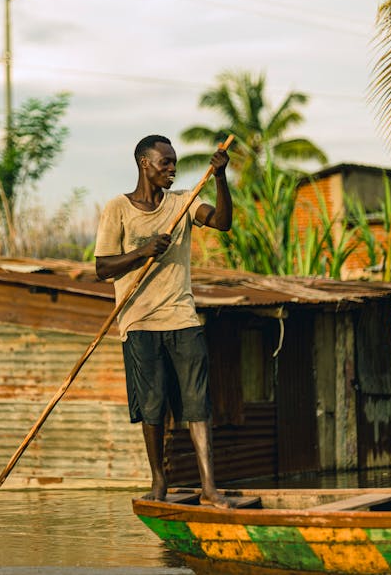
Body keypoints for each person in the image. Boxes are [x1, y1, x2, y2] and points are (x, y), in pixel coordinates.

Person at [94, 134, 233, 508]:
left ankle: (209, 488)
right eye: (165, 163)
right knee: (153, 407)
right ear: (144, 164)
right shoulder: (117, 209)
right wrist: (143, 251)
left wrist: (220, 178)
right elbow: (102, 268)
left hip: (182, 317)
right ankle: (159, 484)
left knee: (197, 402)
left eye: (174, 163)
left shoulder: (183, 202)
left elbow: (221, 222)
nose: (172, 169)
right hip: (139, 322)